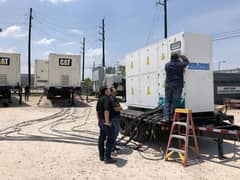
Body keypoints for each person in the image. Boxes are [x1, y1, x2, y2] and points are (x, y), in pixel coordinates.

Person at [163, 53, 189, 121]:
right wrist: (182, 56)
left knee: (167, 101)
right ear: (177, 58)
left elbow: (166, 70)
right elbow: (187, 62)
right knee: (175, 102)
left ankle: (166, 117)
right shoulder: (180, 65)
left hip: (168, 85)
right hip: (178, 86)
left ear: (171, 58)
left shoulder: (167, 65)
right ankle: (171, 117)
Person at [96, 87, 116, 164]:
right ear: (105, 91)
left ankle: (102, 156)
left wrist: (99, 120)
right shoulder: (107, 99)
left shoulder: (100, 99)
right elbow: (106, 110)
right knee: (111, 139)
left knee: (101, 139)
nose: (109, 91)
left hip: (101, 121)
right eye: (108, 90)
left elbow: (97, 111)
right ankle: (107, 158)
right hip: (106, 122)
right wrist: (107, 122)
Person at [110, 87, 123, 155]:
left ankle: (114, 146)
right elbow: (116, 108)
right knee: (113, 134)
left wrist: (119, 108)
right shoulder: (111, 99)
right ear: (111, 92)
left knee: (116, 133)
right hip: (113, 118)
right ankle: (111, 148)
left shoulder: (115, 99)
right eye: (114, 92)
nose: (116, 93)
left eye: (116, 92)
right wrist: (119, 108)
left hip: (117, 118)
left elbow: (120, 107)